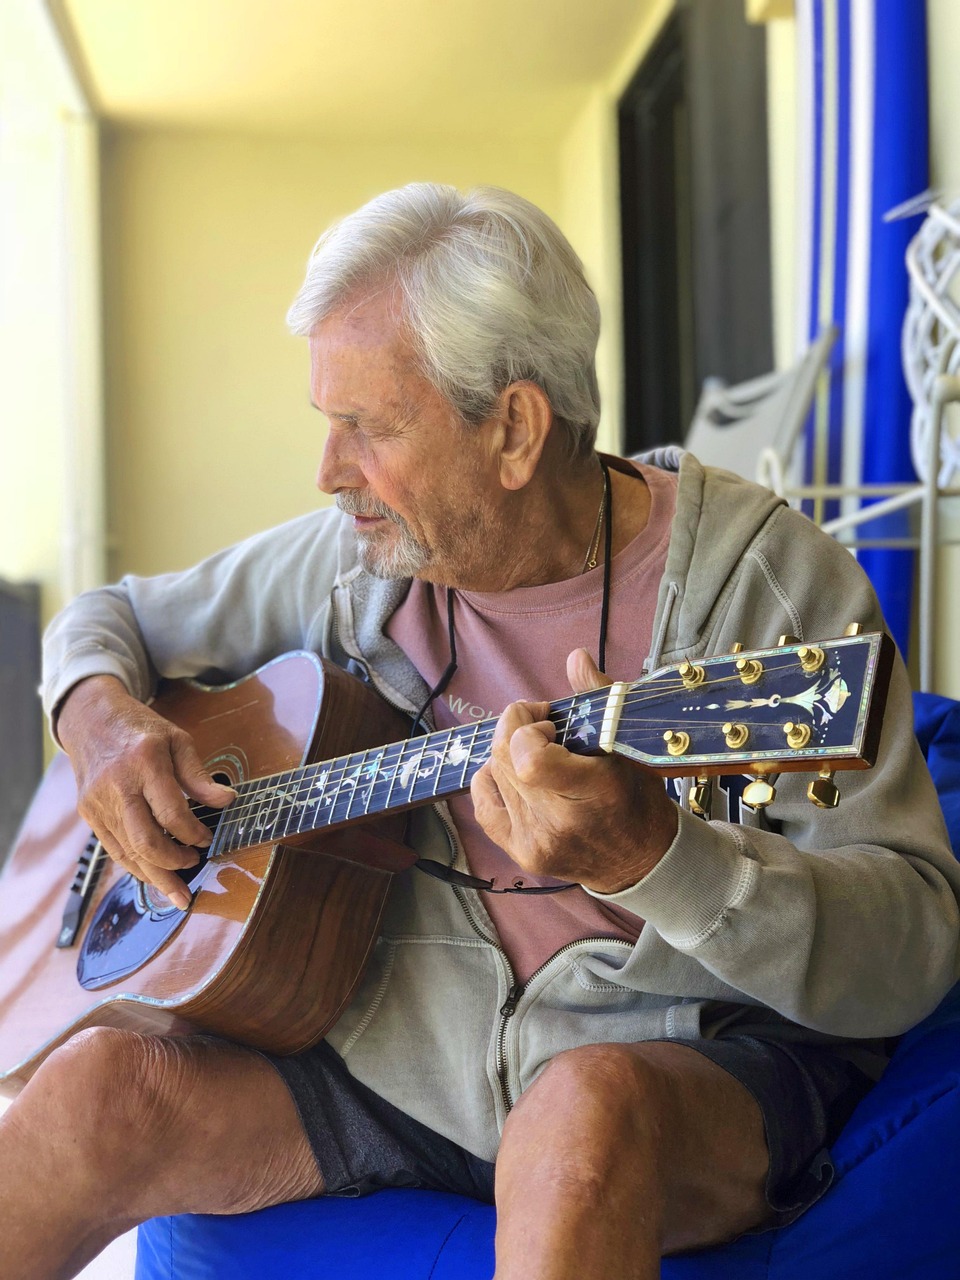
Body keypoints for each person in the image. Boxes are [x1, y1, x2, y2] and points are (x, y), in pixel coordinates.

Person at [5, 184, 959, 1280]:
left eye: (367, 427)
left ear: (513, 428)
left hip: (679, 1060)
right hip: (395, 1067)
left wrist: (659, 858)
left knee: (580, 1118)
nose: (328, 471)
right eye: (328, 421)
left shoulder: (767, 589)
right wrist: (98, 719)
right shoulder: (354, 560)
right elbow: (108, 618)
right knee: (90, 1094)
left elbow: (917, 954)